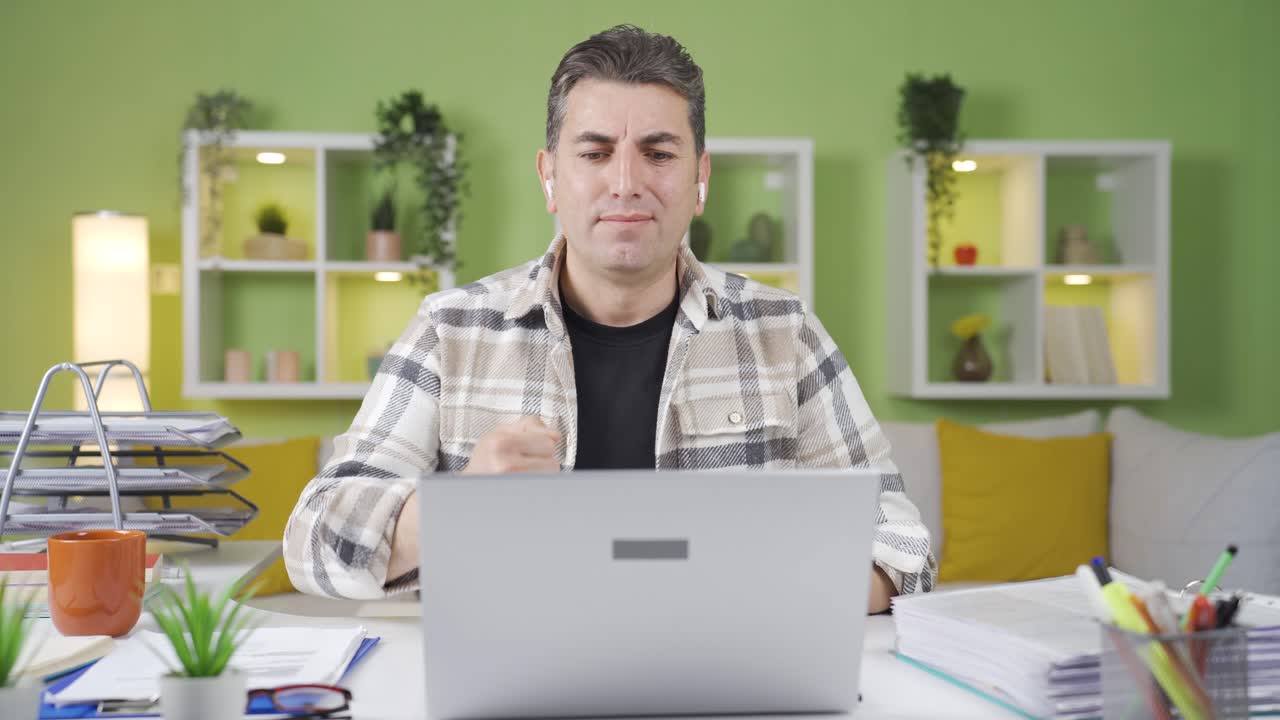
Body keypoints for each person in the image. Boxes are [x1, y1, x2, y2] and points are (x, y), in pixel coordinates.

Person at [284, 24, 935, 612]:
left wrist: (782, 595)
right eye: (595, 153)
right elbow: (313, 538)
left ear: (700, 177)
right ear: (549, 177)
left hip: (731, 686)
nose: (626, 182)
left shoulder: (784, 333)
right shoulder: (449, 331)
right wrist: (457, 508)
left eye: (659, 153)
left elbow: (902, 542)